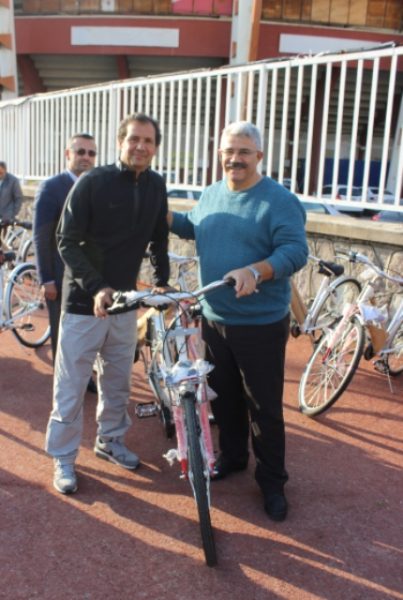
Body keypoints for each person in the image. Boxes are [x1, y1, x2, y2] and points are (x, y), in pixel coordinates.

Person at [169, 121, 308, 522]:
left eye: (244, 152)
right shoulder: (212, 193)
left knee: (263, 407)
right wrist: (160, 214)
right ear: (220, 155)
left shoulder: (279, 201)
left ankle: (272, 482)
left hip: (261, 323)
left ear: (259, 156)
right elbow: (192, 226)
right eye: (229, 151)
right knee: (225, 397)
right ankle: (233, 457)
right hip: (215, 318)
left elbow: (295, 251)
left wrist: (256, 270)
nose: (235, 159)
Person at [46, 113, 170, 494]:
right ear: (120, 142)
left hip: (125, 304)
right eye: (134, 139)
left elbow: (158, 239)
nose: (140, 147)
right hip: (84, 304)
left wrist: (162, 281)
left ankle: (110, 441)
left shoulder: (156, 185)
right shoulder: (94, 182)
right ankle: (64, 457)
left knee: (117, 384)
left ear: (155, 147)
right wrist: (97, 287)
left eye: (148, 141)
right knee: (71, 386)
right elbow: (66, 240)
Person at [33, 134, 97, 376]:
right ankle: (66, 382)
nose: (86, 157)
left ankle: (84, 376)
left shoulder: (96, 186)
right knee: (63, 335)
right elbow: (41, 237)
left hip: (90, 277)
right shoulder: (51, 187)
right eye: (80, 152)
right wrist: (46, 279)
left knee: (88, 332)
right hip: (60, 278)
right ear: (67, 154)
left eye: (91, 153)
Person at [0, 161, 23, 243]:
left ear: (5, 170)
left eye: (1, 172)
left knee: (7, 242)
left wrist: (13, 213)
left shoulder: (13, 181)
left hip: (7, 217)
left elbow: (19, 198)